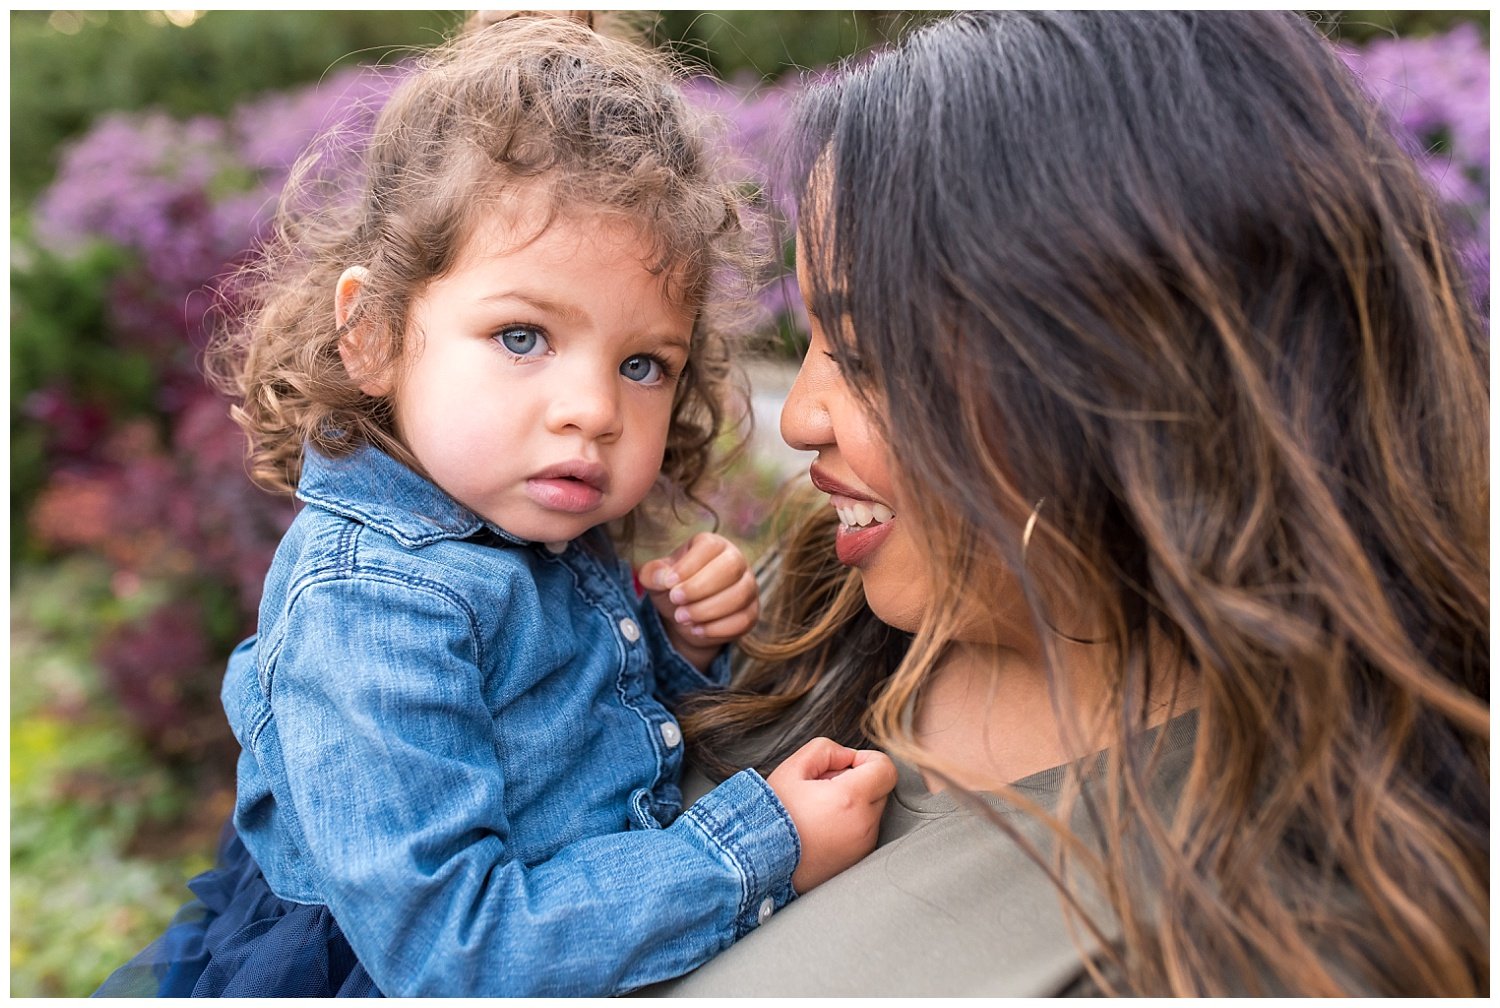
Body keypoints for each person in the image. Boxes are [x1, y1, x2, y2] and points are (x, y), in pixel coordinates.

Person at [652, 10, 1489, 997]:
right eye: (813, 347)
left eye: (869, 355)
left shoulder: (1266, 948)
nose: (797, 420)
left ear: (1125, 378)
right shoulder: (802, 618)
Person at [94, 13, 895, 999]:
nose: (593, 410)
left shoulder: (524, 526)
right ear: (374, 333)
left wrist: (674, 647)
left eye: (642, 364)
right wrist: (757, 847)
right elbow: (460, 954)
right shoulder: (375, 606)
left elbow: (566, 750)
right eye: (522, 336)